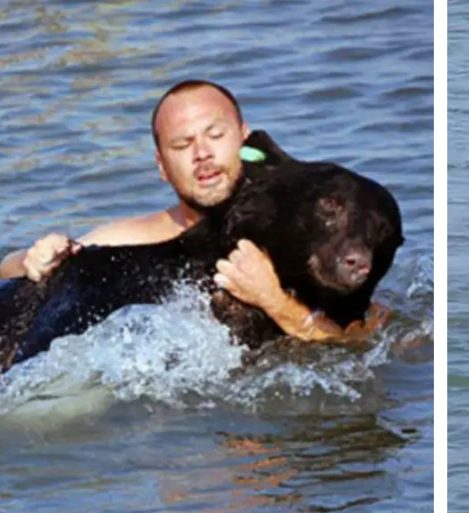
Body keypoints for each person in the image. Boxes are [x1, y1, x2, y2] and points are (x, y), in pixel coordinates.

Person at [0, 80, 387, 340]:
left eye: (215, 136)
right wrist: (32, 257)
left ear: (245, 140)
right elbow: (12, 274)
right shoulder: (136, 239)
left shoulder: (299, 232)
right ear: (161, 167)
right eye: (183, 145)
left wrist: (274, 301)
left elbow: (365, 348)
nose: (202, 154)